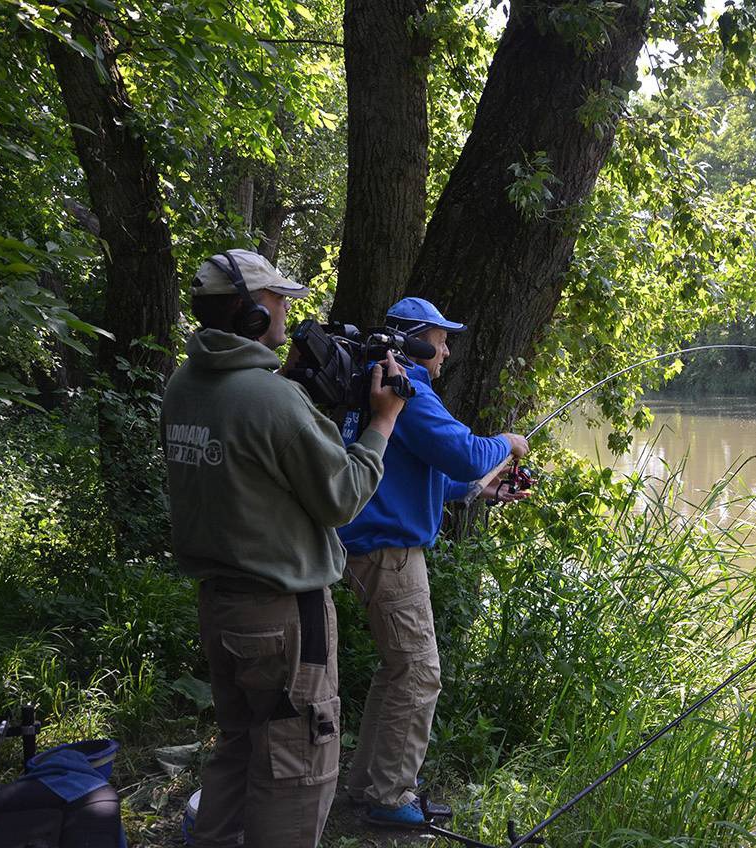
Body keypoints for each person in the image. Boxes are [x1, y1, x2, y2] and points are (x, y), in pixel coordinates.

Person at [160, 249, 407, 848]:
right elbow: (342, 496)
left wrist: (294, 387)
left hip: (222, 606)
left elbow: (256, 457)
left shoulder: (186, 385)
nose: (287, 309)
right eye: (277, 299)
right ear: (248, 313)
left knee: (242, 743)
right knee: (298, 765)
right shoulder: (270, 401)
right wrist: (384, 420)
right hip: (281, 614)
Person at [338, 296, 529, 828]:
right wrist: (509, 443)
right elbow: (468, 451)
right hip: (391, 552)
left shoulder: (380, 387)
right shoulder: (412, 392)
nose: (446, 351)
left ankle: (368, 786)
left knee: (399, 670)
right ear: (419, 342)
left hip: (373, 545)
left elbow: (423, 474)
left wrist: (480, 490)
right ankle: (390, 798)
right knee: (419, 673)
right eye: (442, 340)